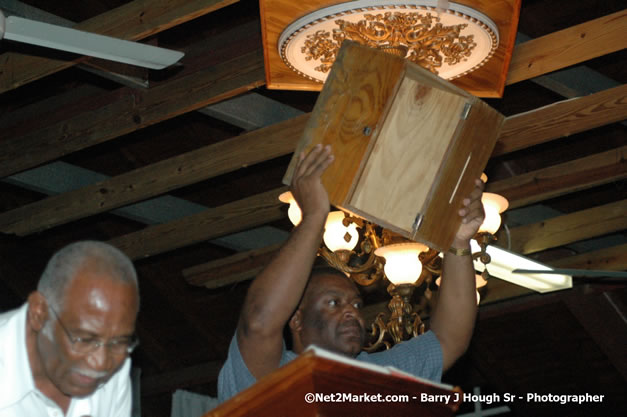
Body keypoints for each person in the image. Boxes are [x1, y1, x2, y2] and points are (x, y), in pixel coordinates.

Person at [218, 144, 485, 402]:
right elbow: (258, 321)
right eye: (334, 303)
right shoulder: (270, 375)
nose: (353, 312)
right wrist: (313, 217)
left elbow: (450, 338)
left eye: (357, 304)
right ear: (297, 319)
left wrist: (458, 243)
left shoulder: (380, 378)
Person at [0, 241, 140, 417]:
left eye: (118, 342)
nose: (101, 362)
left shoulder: (115, 370)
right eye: (86, 340)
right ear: (38, 313)